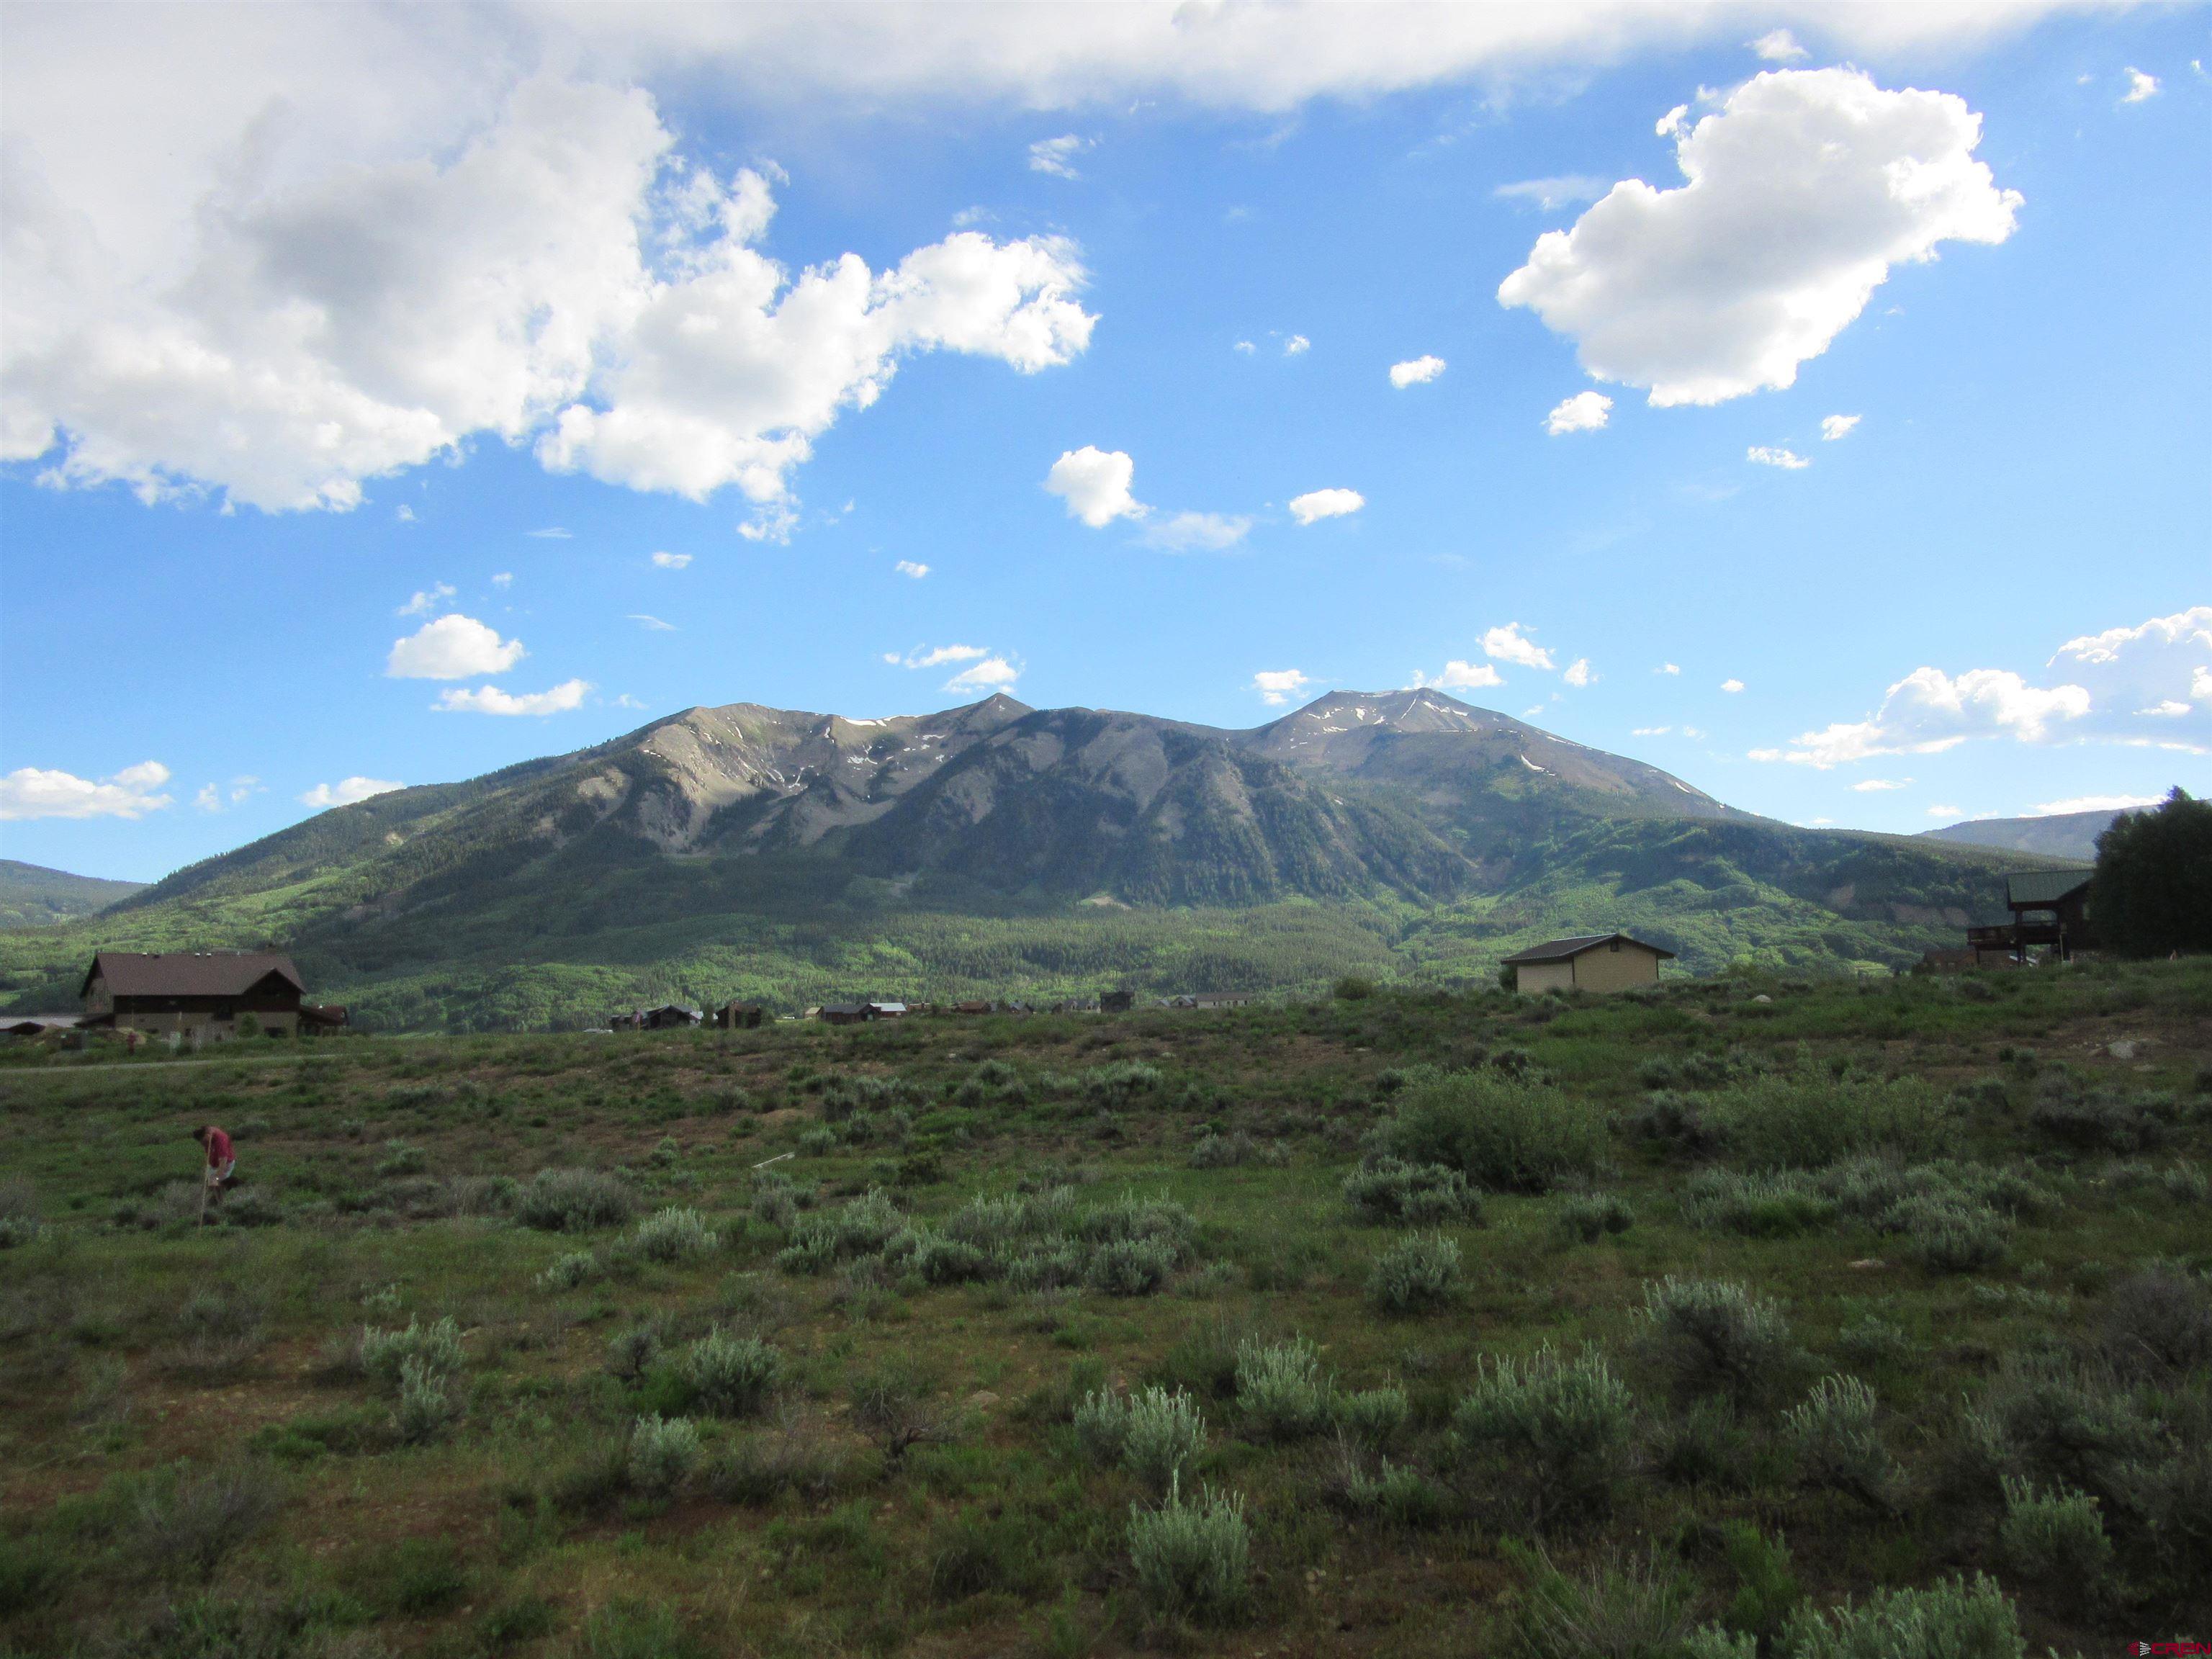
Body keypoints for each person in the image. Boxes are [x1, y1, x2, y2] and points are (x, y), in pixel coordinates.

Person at [192, 1124, 235, 1222]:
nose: (203, 1144)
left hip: (225, 1164)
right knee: (209, 1185)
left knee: (215, 1184)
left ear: (207, 1136)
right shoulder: (208, 1135)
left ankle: (221, 1206)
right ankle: (212, 1204)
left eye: (204, 1142)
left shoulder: (221, 1140)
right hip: (213, 1164)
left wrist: (216, 1178)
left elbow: (223, 1163)